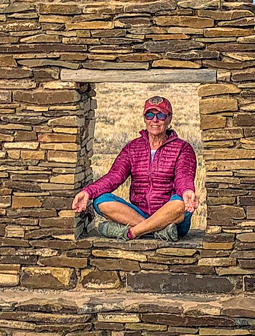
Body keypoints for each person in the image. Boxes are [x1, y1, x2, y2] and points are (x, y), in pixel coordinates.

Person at [72, 96, 199, 241]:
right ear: (144, 118)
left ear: (169, 118)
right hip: (139, 214)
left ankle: (132, 232)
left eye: (161, 115)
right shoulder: (133, 148)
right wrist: (88, 191)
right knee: (101, 200)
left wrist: (187, 191)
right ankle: (157, 231)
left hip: (171, 217)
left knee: (180, 202)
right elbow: (114, 176)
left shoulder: (183, 148)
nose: (155, 120)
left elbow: (184, 177)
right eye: (150, 115)